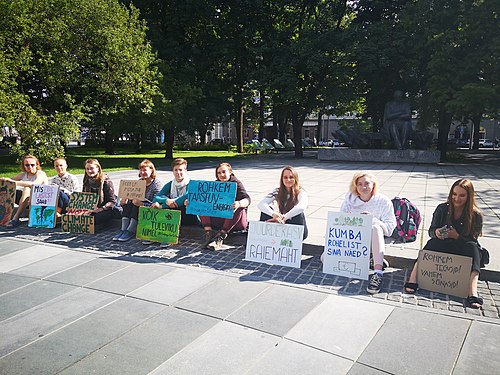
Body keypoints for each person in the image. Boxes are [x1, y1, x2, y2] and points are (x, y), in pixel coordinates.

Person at [405, 179, 485, 309]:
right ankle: (413, 279)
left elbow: (473, 239)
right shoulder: (442, 209)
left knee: (473, 248)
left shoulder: (475, 214)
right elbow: (431, 231)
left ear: (469, 196)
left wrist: (457, 236)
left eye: (461, 195)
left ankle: (472, 291)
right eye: (454, 194)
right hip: (443, 244)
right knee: (431, 243)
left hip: (462, 247)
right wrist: (436, 232)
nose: (456, 198)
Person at [330, 172, 396, 294]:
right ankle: (369, 259)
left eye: (367, 183)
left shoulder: (383, 201)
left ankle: (378, 272)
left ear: (373, 185)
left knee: (375, 228)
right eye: (359, 184)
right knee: (325, 259)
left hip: (374, 238)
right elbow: (339, 222)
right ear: (355, 186)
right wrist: (349, 220)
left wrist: (373, 219)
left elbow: (390, 229)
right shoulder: (349, 200)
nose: (363, 187)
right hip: (354, 240)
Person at [199, 162, 251, 251]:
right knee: (202, 202)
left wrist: (239, 203)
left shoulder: (236, 184)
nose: (221, 175)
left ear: (230, 172)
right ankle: (209, 232)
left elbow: (247, 199)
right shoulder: (215, 185)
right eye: (219, 173)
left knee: (239, 207)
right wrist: (191, 202)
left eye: (224, 172)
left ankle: (221, 236)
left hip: (236, 221)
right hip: (220, 219)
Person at [113, 159, 163, 242]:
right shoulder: (139, 182)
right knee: (128, 204)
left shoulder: (157, 184)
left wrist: (141, 204)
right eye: (141, 170)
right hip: (137, 206)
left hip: (151, 210)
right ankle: (123, 229)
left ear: (151, 170)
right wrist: (124, 201)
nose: (142, 172)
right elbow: (131, 197)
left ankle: (130, 230)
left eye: (145, 170)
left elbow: (156, 203)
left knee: (136, 206)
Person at [258, 166, 308, 239]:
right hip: (282, 225)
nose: (288, 180)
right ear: (282, 179)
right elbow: (261, 204)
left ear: (295, 179)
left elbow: (301, 207)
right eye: (285, 177)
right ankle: (263, 238)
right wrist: (274, 214)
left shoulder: (301, 192)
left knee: (299, 213)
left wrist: (283, 218)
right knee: (266, 211)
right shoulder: (277, 191)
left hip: (297, 228)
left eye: (291, 177)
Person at [0, 155, 48, 228]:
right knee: (5, 190)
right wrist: (4, 180)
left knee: (27, 189)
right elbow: (9, 181)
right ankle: (4, 215)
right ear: (24, 166)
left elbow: (34, 184)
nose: (30, 167)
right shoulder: (23, 175)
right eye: (27, 165)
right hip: (26, 199)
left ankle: (16, 218)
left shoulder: (40, 173)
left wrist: (15, 182)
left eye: (32, 165)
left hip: (41, 199)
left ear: (37, 165)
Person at [81, 158, 122, 226]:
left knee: (93, 219)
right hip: (92, 208)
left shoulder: (106, 182)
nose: (89, 171)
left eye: (92, 168)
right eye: (87, 169)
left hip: (106, 208)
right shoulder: (86, 180)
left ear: (98, 168)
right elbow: (84, 197)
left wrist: (100, 209)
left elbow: (111, 202)